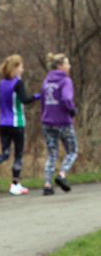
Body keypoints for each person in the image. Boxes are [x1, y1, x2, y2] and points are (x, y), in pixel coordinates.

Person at [0, 53, 40, 194]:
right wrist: (38, 96)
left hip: (3, 123)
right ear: (15, 68)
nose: (23, 69)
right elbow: (25, 100)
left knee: (5, 152)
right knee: (18, 154)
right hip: (17, 122)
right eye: (21, 67)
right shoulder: (18, 83)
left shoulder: (1, 83)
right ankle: (15, 184)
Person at [40, 52, 77, 196]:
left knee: (52, 153)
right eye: (67, 63)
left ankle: (47, 184)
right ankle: (62, 174)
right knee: (72, 150)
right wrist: (72, 110)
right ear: (60, 66)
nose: (70, 66)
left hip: (47, 122)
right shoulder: (65, 81)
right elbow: (67, 99)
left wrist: (45, 115)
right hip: (63, 122)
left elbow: (43, 101)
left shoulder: (46, 81)